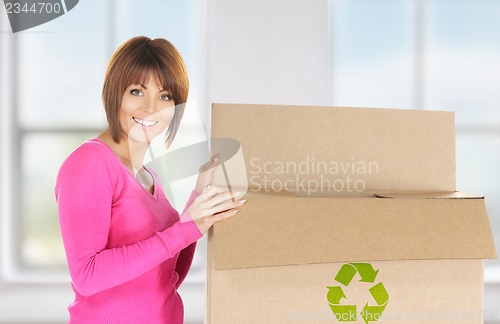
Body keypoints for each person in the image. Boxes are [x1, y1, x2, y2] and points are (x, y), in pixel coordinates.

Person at [54, 36, 245, 324]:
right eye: (137, 91)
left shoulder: (149, 175)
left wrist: (199, 195)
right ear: (114, 92)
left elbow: (166, 278)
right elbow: (87, 276)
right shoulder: (90, 163)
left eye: (165, 96)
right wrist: (186, 228)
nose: (151, 108)